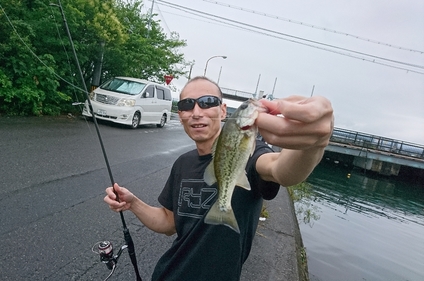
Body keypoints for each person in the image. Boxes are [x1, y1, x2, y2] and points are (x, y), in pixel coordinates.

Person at [104, 76, 334, 280]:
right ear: (181, 114)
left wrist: (315, 144)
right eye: (187, 105)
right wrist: (133, 203)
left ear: (223, 111)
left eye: (207, 102)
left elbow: (281, 170)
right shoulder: (183, 163)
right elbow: (168, 223)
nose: (196, 112)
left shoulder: (251, 154)